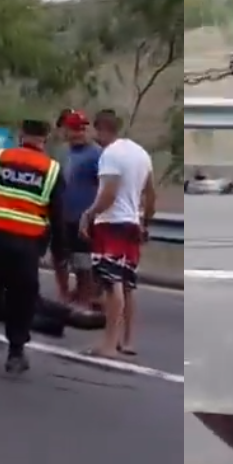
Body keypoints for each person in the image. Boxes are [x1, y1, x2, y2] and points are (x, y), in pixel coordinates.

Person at [0, 119, 67, 374]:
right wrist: (59, 252)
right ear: (44, 139)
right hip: (26, 245)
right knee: (21, 299)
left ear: (21, 135)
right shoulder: (51, 169)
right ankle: (15, 354)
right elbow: (58, 215)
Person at [80, 109, 154, 360]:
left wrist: (88, 214)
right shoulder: (141, 154)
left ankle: (109, 344)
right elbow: (151, 193)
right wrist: (145, 222)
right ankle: (127, 340)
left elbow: (108, 193)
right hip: (132, 223)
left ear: (101, 129)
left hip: (111, 223)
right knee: (128, 283)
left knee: (112, 284)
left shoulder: (110, 155)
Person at [53, 108, 102, 307]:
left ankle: (86, 295)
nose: (79, 133)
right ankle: (67, 293)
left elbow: (105, 184)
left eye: (82, 129)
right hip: (64, 214)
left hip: (86, 216)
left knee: (84, 259)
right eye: (74, 129)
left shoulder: (96, 154)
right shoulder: (63, 153)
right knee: (65, 256)